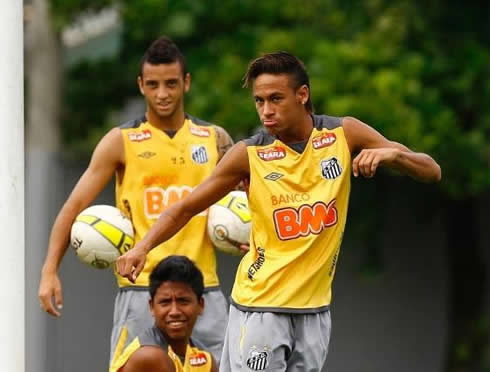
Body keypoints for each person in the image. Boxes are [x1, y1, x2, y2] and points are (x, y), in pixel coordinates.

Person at [116, 51, 442, 371]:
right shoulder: (250, 154)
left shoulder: (344, 134)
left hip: (315, 310)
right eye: (259, 101)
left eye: (275, 99)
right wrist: (142, 247)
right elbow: (185, 208)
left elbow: (431, 171)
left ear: (302, 95)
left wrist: (394, 156)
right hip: (261, 308)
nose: (266, 111)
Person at [38, 36, 232, 364]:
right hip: (141, 287)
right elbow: (75, 206)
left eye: (171, 83)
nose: (163, 94)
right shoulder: (121, 142)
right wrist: (49, 270)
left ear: (185, 82)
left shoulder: (215, 139)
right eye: (153, 84)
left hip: (203, 290)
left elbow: (247, 202)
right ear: (141, 85)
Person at [110, 255, 218, 372]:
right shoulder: (150, 357)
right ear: (151, 307)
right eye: (165, 302)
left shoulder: (205, 359)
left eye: (183, 301)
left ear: (201, 305)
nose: (174, 312)